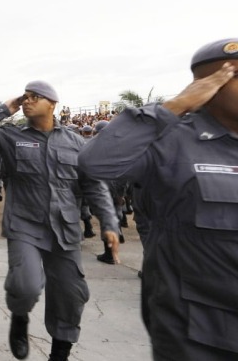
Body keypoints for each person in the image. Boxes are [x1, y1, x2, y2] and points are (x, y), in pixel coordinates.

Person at [78, 38, 238, 361]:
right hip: (199, 332)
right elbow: (95, 162)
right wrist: (175, 105)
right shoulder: (171, 139)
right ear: (213, 82)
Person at [0, 81, 119, 361]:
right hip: (25, 224)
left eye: (35, 97)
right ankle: (20, 318)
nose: (27, 101)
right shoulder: (11, 136)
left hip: (65, 228)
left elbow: (94, 185)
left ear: (53, 103)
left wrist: (109, 223)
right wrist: (3, 109)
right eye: (25, 97)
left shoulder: (75, 142)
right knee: (25, 285)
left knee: (72, 296)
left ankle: (59, 354)